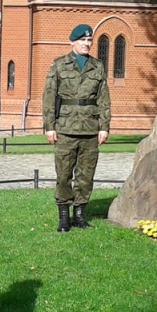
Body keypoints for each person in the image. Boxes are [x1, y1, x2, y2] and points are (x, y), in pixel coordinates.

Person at [42, 24, 111, 232]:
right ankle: (64, 217)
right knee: (63, 175)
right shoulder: (59, 65)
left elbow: (104, 99)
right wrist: (49, 126)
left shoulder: (97, 66)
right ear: (72, 41)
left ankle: (80, 215)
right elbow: (49, 98)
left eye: (89, 41)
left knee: (85, 175)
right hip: (65, 128)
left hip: (90, 129)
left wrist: (104, 127)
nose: (86, 44)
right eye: (82, 40)